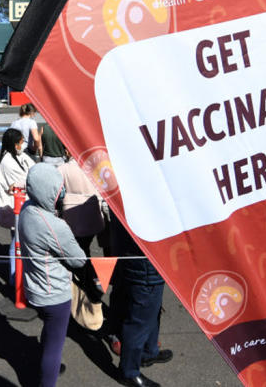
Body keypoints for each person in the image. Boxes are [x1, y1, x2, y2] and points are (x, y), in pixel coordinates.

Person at [20, 163, 86, 386]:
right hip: (55, 293)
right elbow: (78, 259)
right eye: (59, 190)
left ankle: (48, 366)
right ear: (49, 192)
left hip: (34, 288)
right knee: (55, 348)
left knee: (49, 334)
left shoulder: (27, 209)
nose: (62, 194)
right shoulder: (54, 225)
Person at [110, 214, 173, 387]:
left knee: (151, 311)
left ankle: (149, 351)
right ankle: (129, 372)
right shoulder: (140, 199)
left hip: (140, 260)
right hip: (145, 264)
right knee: (139, 321)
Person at [58, 154, 106, 301]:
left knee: (79, 252)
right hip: (93, 213)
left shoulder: (63, 168)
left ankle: (88, 283)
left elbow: (57, 192)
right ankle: (89, 280)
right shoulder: (93, 168)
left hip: (73, 215)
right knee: (84, 249)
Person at [0, 128, 35, 281]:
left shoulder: (19, 155)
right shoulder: (8, 161)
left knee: (18, 240)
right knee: (17, 242)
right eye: (20, 142)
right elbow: (25, 180)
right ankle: (15, 277)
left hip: (20, 207)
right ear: (14, 144)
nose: (23, 144)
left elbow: (33, 167)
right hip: (14, 208)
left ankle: (17, 275)